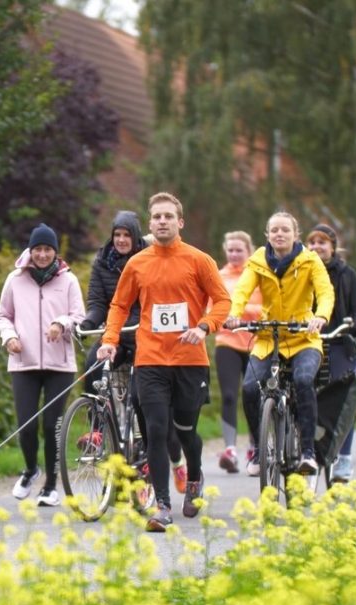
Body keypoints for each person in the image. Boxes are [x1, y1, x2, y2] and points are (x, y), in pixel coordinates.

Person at [97, 192, 229, 528]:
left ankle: (195, 475)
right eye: (156, 217)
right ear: (150, 223)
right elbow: (119, 306)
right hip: (151, 359)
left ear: (180, 222)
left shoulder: (199, 260)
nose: (162, 222)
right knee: (155, 430)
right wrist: (110, 340)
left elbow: (223, 301)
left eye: (169, 216)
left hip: (189, 360)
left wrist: (204, 326)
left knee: (185, 432)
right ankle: (163, 507)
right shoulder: (137, 263)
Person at [79, 212, 185, 492]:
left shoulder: (147, 260)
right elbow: (98, 301)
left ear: (136, 237)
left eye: (127, 235)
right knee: (93, 364)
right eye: (117, 235)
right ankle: (97, 430)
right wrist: (89, 322)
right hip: (116, 335)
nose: (122, 240)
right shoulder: (102, 262)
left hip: (144, 336)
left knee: (145, 401)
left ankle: (175, 461)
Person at [225, 210, 334, 476]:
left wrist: (320, 317)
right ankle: (259, 452)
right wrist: (234, 314)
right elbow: (242, 290)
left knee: (304, 379)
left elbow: (325, 291)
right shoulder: (258, 260)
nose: (279, 234)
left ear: (295, 234)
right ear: (267, 235)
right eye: (274, 230)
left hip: (302, 337)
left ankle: (308, 451)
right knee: (250, 388)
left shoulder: (310, 261)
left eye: (285, 229)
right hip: (268, 337)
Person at [0, 223, 85, 507]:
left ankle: (50, 485)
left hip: (60, 365)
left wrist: (62, 323)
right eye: (38, 249)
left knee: (52, 426)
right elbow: (3, 316)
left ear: (55, 252)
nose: (43, 255)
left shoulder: (68, 280)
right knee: (26, 424)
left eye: (48, 250)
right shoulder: (15, 279)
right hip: (24, 362)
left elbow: (79, 316)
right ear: (30, 250)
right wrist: (9, 337)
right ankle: (31, 469)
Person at [305, 224, 356, 482]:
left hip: (339, 341)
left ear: (333, 247)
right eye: (312, 243)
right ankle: (304, 453)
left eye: (323, 243)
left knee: (344, 401)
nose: (317, 247)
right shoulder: (301, 271)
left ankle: (344, 457)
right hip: (307, 341)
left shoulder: (346, 274)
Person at [213, 231, 262, 474]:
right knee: (230, 396)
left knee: (253, 394)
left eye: (238, 250)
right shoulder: (219, 277)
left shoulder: (258, 275)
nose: (233, 254)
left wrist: (242, 311)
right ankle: (230, 450)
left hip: (255, 341)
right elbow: (213, 308)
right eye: (230, 250)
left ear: (248, 251)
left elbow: (267, 308)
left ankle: (255, 446)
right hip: (227, 342)